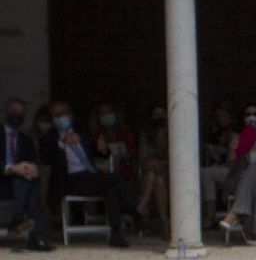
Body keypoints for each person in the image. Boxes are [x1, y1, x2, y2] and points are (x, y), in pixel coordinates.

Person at [40, 101, 139, 247]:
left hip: (90, 175)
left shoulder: (82, 132)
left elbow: (100, 154)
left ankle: (116, 234)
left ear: (70, 115)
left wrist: (103, 149)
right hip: (71, 181)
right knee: (116, 178)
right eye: (56, 115)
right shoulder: (49, 137)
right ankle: (135, 211)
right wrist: (62, 143)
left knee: (113, 189)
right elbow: (45, 158)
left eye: (63, 114)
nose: (60, 118)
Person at [216, 103, 256, 244]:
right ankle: (248, 232)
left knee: (253, 170)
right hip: (241, 182)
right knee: (255, 188)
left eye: (255, 114)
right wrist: (236, 149)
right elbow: (231, 164)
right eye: (248, 114)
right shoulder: (237, 138)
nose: (252, 117)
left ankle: (233, 214)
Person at [3, 98, 51, 251]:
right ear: (4, 113)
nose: (18, 115)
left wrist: (32, 169)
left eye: (22, 113)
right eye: (14, 112)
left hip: (19, 185)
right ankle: (36, 238)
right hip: (2, 181)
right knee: (29, 186)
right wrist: (12, 168)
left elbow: (34, 161)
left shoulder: (26, 140)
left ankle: (17, 219)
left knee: (29, 180)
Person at [136, 105, 169, 238]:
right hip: (149, 174)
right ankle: (165, 224)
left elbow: (175, 160)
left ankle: (142, 206)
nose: (159, 118)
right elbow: (143, 160)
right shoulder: (146, 135)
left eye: (162, 114)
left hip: (169, 175)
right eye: (156, 115)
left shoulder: (172, 133)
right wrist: (152, 163)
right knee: (154, 177)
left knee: (158, 179)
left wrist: (160, 163)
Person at [89, 103, 139, 183]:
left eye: (109, 112)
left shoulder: (126, 134)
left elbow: (132, 152)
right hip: (104, 176)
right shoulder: (96, 137)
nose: (106, 115)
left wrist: (123, 157)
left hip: (125, 174)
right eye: (103, 114)